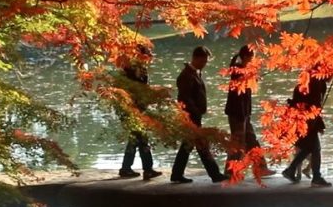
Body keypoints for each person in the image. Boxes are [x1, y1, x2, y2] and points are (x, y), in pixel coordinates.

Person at [170, 46, 227, 184]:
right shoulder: (186, 75)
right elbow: (185, 98)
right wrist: (194, 112)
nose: (205, 64)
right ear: (196, 58)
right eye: (203, 61)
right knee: (200, 145)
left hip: (194, 115)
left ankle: (177, 174)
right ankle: (214, 174)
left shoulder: (194, 74)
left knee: (188, 146)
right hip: (190, 116)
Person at [224, 45, 275, 178]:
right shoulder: (238, 70)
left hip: (244, 113)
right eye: (252, 58)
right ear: (246, 57)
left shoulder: (243, 70)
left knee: (251, 139)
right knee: (238, 142)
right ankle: (231, 171)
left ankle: (261, 168)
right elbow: (239, 86)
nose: (253, 60)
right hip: (237, 113)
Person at [115, 45, 163, 180]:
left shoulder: (129, 69)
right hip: (134, 109)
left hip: (134, 108)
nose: (149, 58)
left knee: (137, 139)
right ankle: (144, 169)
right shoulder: (133, 70)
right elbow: (139, 89)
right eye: (147, 55)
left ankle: (129, 168)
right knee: (140, 139)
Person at [281, 69, 332, 187]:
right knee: (315, 148)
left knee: (310, 147)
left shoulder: (310, 80)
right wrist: (317, 124)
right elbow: (315, 107)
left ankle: (291, 170)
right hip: (306, 119)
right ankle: (316, 177)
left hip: (301, 117)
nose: (332, 76)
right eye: (332, 73)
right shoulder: (317, 84)